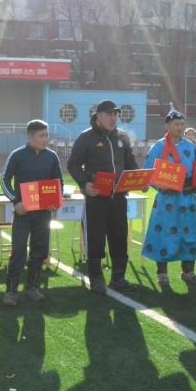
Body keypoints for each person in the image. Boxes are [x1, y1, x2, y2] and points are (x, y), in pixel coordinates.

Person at [67, 99, 139, 295]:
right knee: (95, 237)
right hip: (96, 198)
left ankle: (118, 278)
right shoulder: (86, 137)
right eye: (108, 114)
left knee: (119, 237)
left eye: (115, 114)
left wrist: (140, 179)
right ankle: (96, 279)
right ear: (98, 116)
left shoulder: (122, 137)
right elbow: (73, 164)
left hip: (119, 197)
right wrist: (85, 184)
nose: (113, 118)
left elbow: (130, 163)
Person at [0, 119, 64, 306]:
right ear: (30, 137)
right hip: (23, 214)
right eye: (41, 136)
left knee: (40, 251)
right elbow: (4, 180)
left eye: (47, 135)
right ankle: (11, 291)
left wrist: (54, 202)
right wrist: (16, 202)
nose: (46, 139)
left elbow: (58, 182)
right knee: (18, 250)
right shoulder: (17, 155)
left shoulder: (52, 156)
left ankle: (32, 288)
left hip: (43, 215)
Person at [142, 107, 196, 286]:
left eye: (182, 124)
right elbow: (149, 172)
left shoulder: (190, 147)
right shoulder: (158, 147)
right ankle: (162, 273)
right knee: (163, 233)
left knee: (189, 234)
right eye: (176, 124)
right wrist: (158, 186)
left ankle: (188, 272)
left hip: (187, 198)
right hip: (166, 199)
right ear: (167, 125)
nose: (180, 127)